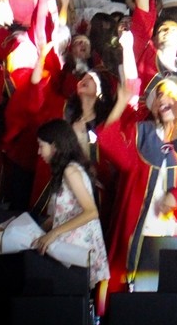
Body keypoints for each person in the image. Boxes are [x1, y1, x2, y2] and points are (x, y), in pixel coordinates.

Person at [96, 28, 177, 295]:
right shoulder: (141, 133)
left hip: (171, 226)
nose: (163, 100)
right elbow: (109, 142)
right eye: (159, 96)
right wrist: (122, 100)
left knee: (166, 294)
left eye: (170, 95)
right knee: (127, 290)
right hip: (135, 224)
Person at [34, 119, 110, 310]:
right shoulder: (64, 170)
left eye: (41, 146)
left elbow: (91, 212)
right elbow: (61, 213)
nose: (39, 152)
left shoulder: (70, 170)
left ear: (54, 145)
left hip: (76, 251)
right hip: (69, 249)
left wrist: (53, 233)